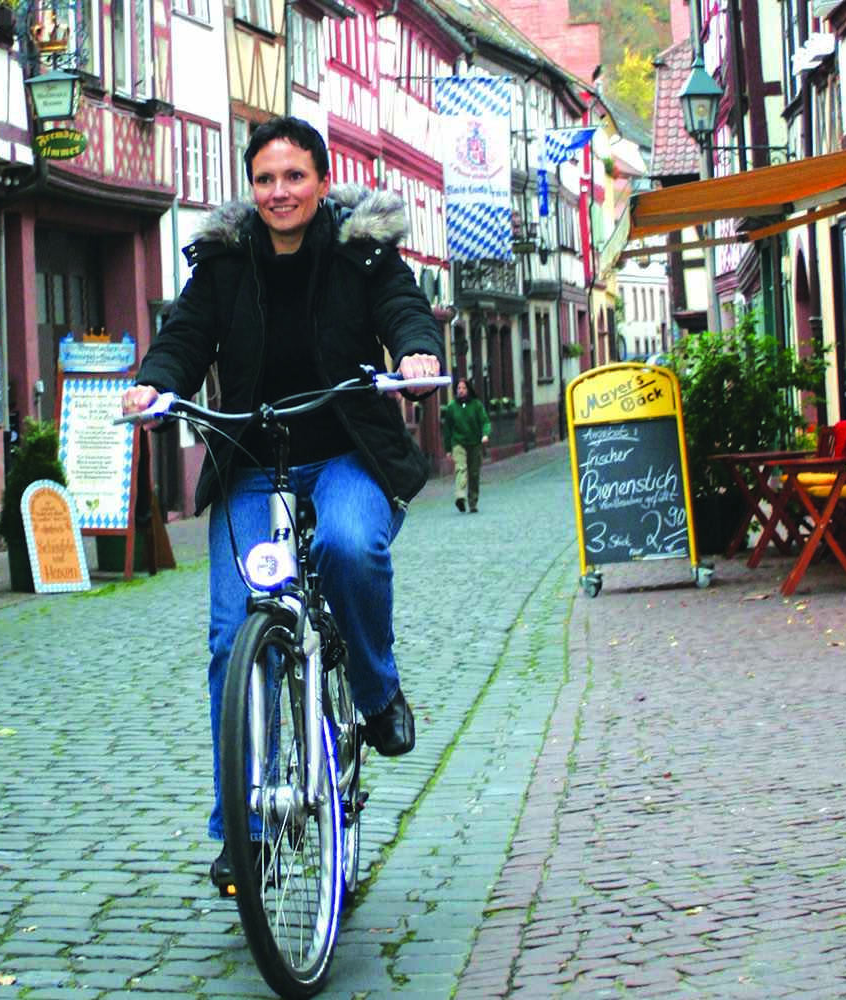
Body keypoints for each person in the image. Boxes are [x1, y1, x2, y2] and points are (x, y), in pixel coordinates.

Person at [121, 116, 443, 889]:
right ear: (251, 188)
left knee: (347, 545)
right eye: (265, 178)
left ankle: (376, 693)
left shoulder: (363, 252)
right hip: (252, 463)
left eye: (294, 176)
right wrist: (156, 383)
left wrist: (415, 352)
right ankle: (246, 829)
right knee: (234, 636)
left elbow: (405, 309)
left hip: (347, 454)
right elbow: (185, 336)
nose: (279, 192)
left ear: (323, 182)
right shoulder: (224, 263)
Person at [440, 377, 490, 513]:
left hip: (475, 442)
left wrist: (485, 434)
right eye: (458, 388)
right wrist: (448, 449)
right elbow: (447, 429)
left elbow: (485, 421)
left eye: (463, 388)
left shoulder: (476, 405)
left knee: (474, 473)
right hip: (458, 443)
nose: (461, 391)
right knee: (460, 468)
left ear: (468, 390)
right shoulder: (451, 407)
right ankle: (460, 497)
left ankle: (473, 502)